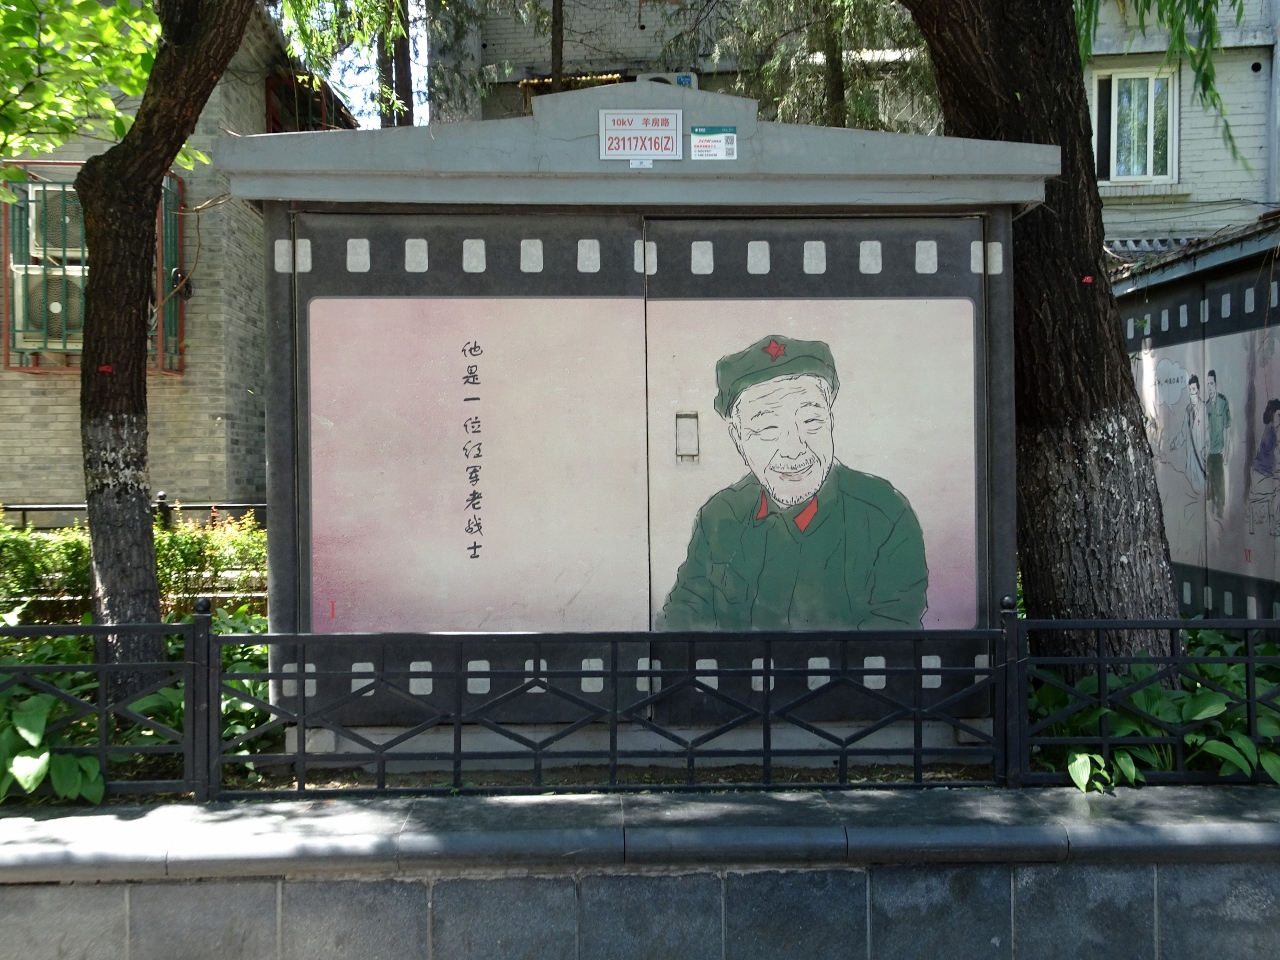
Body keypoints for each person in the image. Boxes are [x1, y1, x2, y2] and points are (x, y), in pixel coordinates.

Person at [661, 334, 928, 631]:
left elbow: (893, 638)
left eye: (811, 421)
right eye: (767, 427)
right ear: (738, 438)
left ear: (830, 421)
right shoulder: (718, 516)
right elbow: (680, 619)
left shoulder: (885, 515)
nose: (793, 449)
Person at [1204, 370, 1231, 518]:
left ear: (1215, 384)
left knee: (1220, 485)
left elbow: (1228, 429)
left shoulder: (1223, 402)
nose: (1209, 387)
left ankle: (1220, 512)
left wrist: (1226, 453)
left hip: (1220, 452)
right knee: (1211, 487)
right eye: (1207, 384)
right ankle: (1214, 512)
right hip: (1210, 452)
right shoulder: (1206, 405)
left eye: (1211, 384)